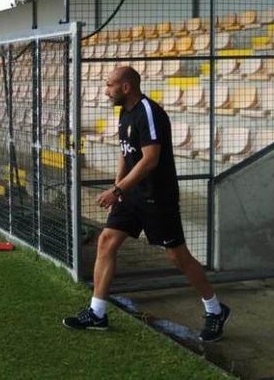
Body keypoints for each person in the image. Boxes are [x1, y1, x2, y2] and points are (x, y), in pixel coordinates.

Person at [62, 66, 230, 342]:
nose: (106, 91)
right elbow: (126, 153)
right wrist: (118, 190)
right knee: (106, 242)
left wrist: (118, 189)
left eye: (110, 85)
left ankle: (215, 309)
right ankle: (97, 312)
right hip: (131, 196)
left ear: (126, 87)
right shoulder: (124, 112)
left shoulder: (149, 112)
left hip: (157, 197)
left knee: (178, 257)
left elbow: (150, 159)